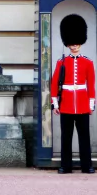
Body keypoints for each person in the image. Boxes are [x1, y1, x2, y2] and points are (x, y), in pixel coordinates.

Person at [52, 14, 95, 174]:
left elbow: (91, 84)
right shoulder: (61, 62)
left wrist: (91, 104)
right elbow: (55, 83)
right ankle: (66, 166)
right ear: (68, 43)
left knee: (85, 137)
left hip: (83, 104)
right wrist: (55, 104)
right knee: (66, 137)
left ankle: (87, 165)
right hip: (66, 105)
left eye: (76, 43)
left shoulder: (88, 62)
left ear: (81, 42)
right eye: (72, 43)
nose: (74, 46)